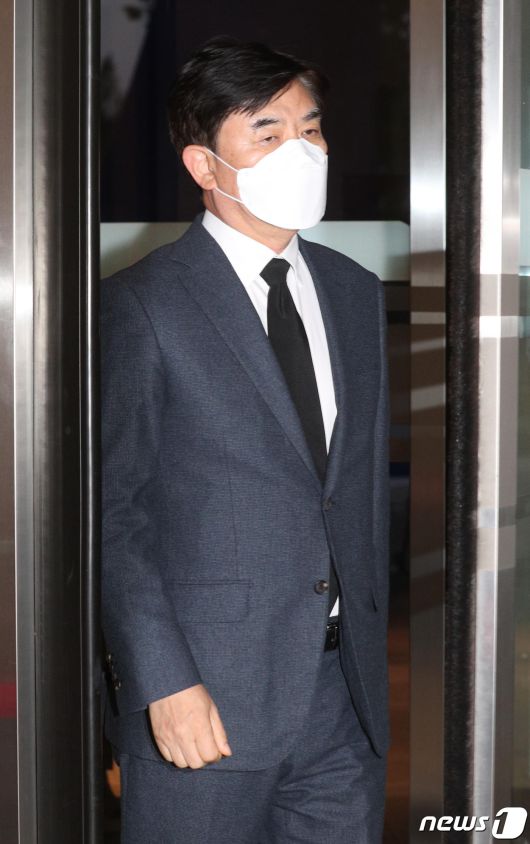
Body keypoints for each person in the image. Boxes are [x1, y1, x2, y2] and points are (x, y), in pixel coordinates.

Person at [100, 36, 390, 844]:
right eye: (268, 132)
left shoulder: (354, 291)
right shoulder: (143, 305)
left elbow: (351, 489)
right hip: (204, 698)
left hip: (344, 698)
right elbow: (114, 515)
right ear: (204, 164)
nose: (302, 150)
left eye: (311, 128)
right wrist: (162, 683)